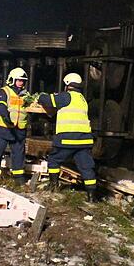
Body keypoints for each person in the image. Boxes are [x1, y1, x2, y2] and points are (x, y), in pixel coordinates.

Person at [37, 72, 98, 201]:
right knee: (87, 167)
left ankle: (53, 185)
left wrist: (40, 95)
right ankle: (91, 197)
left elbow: (47, 100)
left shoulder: (66, 97)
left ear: (67, 85)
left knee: (54, 160)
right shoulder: (82, 99)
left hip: (67, 139)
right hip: (84, 140)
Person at [0, 67, 30, 184]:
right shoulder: (4, 91)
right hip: (2, 128)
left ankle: (19, 179)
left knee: (19, 155)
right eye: (19, 80)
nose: (21, 83)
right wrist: (6, 117)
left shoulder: (26, 95)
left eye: (23, 81)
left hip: (19, 130)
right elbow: (1, 105)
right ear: (12, 80)